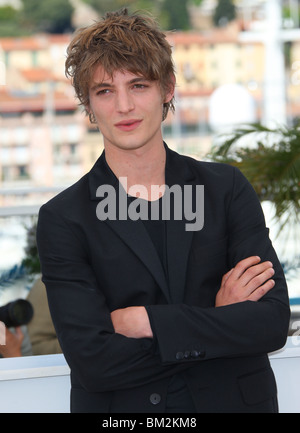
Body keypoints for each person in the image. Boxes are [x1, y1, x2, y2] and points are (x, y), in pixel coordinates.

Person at [36, 9, 290, 413]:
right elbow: (94, 363)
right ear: (88, 103)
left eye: (138, 85)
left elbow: (270, 323)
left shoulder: (224, 189)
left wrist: (146, 323)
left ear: (167, 88)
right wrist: (216, 320)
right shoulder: (64, 218)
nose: (123, 106)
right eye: (104, 91)